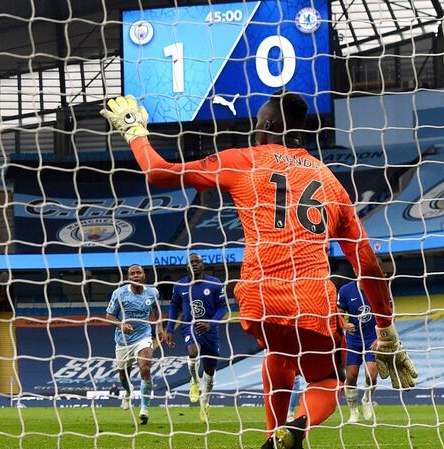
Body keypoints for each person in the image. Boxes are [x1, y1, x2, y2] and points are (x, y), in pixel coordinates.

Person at [101, 94, 417, 448]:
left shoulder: (243, 160)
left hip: (259, 296)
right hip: (312, 298)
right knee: (326, 384)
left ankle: (272, 438)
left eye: (256, 126)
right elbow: (368, 265)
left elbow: (159, 172)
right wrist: (386, 328)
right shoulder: (331, 184)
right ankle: (296, 430)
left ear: (267, 127)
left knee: (280, 356)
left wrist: (134, 130)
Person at [165, 253, 227, 422]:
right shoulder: (180, 286)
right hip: (189, 326)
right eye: (191, 262)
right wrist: (169, 328)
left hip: (210, 331)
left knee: (210, 370)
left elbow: (222, 308)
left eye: (197, 262)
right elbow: (174, 307)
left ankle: (204, 404)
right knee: (193, 352)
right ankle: (194, 380)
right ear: (187, 267)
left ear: (203, 265)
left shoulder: (214, 283)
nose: (194, 264)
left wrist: (210, 324)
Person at [105, 264, 164, 425]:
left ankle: (144, 408)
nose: (136, 275)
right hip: (123, 340)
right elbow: (109, 315)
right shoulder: (119, 293)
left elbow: (156, 309)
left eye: (139, 273)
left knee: (145, 367)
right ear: (129, 277)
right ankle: (128, 391)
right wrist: (121, 324)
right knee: (123, 376)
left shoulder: (153, 292)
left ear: (144, 275)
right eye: (133, 274)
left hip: (143, 336)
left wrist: (159, 326)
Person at [337, 280, 379, 423]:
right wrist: (344, 324)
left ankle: (367, 400)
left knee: (372, 375)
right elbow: (338, 313)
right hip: (353, 339)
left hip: (373, 339)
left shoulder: (379, 288)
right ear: (355, 270)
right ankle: (353, 411)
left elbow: (389, 315)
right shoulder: (345, 290)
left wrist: (381, 338)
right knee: (351, 376)